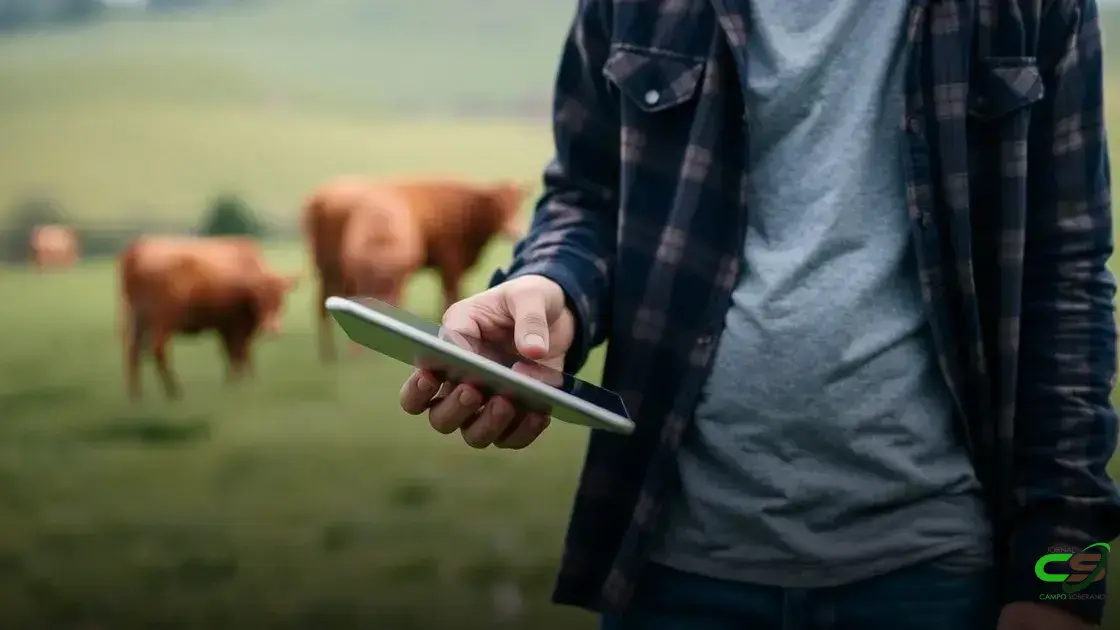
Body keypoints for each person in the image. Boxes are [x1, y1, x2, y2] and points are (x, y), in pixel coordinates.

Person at [398, 0, 1120, 628]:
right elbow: (587, 196)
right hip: (671, 566)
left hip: (938, 571)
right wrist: (553, 288)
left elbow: (1069, 274)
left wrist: (1067, 584)